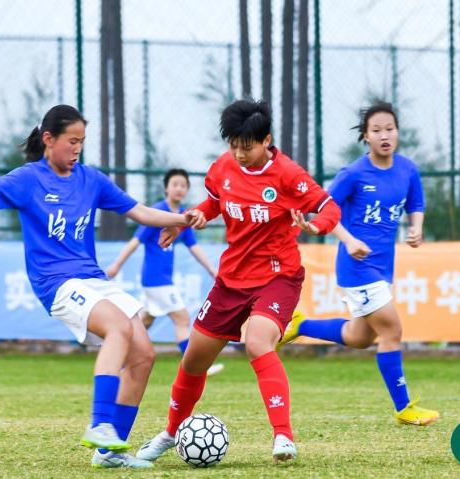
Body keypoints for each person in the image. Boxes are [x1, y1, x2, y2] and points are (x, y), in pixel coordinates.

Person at [0, 105, 206, 469]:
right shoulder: (30, 178)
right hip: (56, 283)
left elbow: (139, 211)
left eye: (82, 142)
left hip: (94, 280)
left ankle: (109, 453)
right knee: (118, 327)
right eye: (72, 141)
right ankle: (100, 423)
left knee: (143, 355)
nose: (77, 148)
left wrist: (181, 219)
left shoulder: (91, 180)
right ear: (48, 139)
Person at [134, 99, 341, 464]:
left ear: (266, 141)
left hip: (277, 276)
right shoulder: (223, 167)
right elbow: (213, 203)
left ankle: (283, 436)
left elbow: (329, 208)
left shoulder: (288, 175)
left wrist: (315, 226)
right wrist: (191, 218)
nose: (239, 154)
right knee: (193, 360)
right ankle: (170, 432)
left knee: (257, 342)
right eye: (233, 145)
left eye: (247, 147)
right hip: (231, 279)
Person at [282, 102, 439, 426]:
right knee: (392, 330)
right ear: (366, 136)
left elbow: (416, 203)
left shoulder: (407, 169)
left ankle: (300, 325)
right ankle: (404, 407)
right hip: (356, 267)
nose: (384, 135)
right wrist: (348, 239)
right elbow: (325, 210)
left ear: (397, 132)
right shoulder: (353, 174)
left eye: (390, 129)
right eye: (376, 130)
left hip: (383, 267)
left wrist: (417, 227)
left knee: (360, 336)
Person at [105, 168, 224, 376]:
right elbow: (135, 241)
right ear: (166, 188)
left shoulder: (183, 217)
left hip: (159, 281)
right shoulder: (157, 213)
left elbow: (194, 247)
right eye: (175, 184)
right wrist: (116, 265)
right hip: (156, 280)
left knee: (144, 322)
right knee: (182, 319)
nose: (179, 189)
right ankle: (197, 368)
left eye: (183, 185)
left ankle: (119, 363)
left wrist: (212, 269)